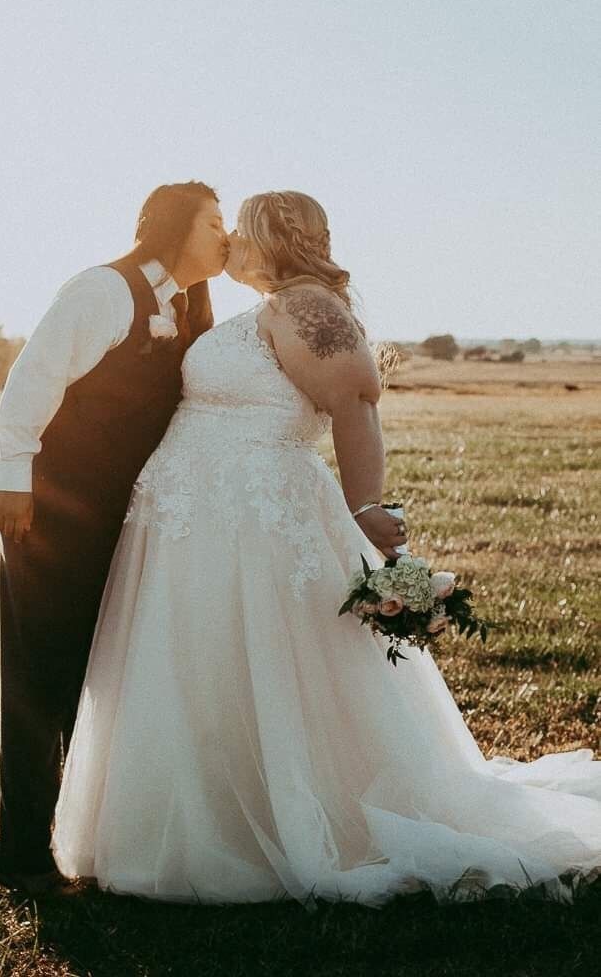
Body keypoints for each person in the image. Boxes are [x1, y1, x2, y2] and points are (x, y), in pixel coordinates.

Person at [51, 190, 601, 908]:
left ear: (270, 238)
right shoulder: (266, 308)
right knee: (198, 659)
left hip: (255, 518)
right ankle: (201, 809)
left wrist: (365, 506)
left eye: (235, 231)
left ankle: (276, 822)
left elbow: (356, 400)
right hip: (197, 520)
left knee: (262, 658)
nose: (227, 245)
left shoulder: (304, 304)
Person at [0, 181, 229, 896]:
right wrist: (14, 479)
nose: (227, 235)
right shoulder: (103, 290)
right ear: (175, 226)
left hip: (134, 518)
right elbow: (33, 378)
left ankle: (92, 836)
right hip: (54, 513)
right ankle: (25, 854)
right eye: (215, 222)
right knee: (39, 677)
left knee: (107, 673)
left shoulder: (194, 306)